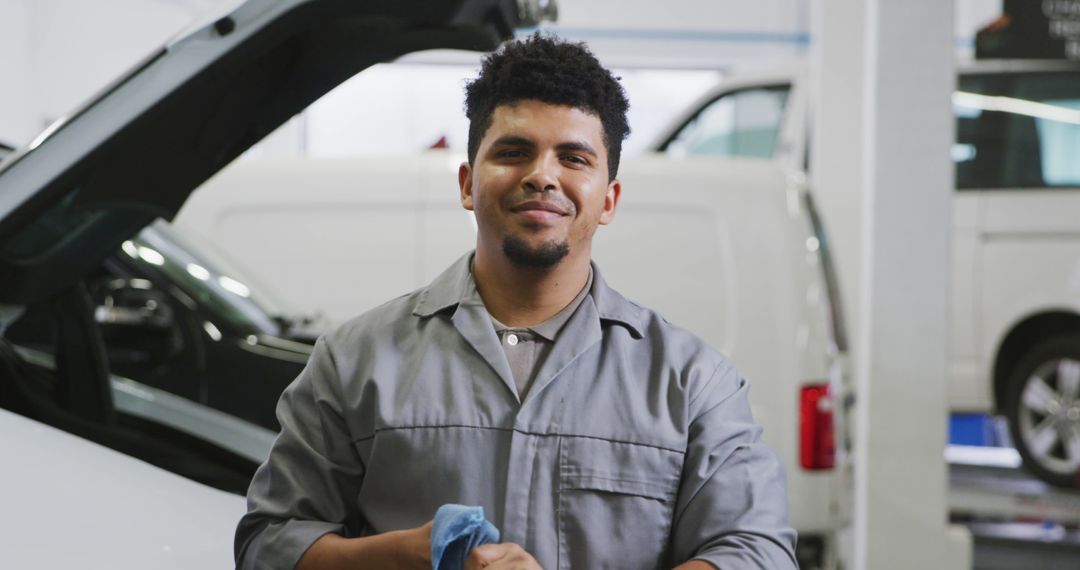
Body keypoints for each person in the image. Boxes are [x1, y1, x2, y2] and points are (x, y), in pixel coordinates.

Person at [235, 34, 797, 570]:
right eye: (513, 151)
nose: (541, 176)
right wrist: (401, 558)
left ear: (609, 199)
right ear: (465, 183)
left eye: (574, 158)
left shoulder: (693, 383)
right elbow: (268, 544)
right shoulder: (354, 361)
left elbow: (757, 552)